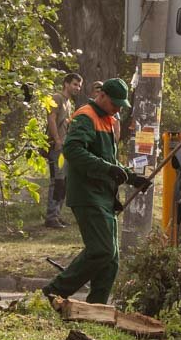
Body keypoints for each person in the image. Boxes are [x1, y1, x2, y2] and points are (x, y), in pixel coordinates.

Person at [42, 78, 150, 306]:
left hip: (104, 196)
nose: (118, 109)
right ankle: (54, 292)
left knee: (111, 260)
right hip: (87, 195)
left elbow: (108, 160)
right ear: (102, 96)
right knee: (101, 250)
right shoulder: (86, 116)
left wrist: (132, 177)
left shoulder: (108, 119)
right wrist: (107, 169)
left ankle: (96, 308)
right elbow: (72, 150)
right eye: (115, 104)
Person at [45, 72, 83, 228]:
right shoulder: (57, 98)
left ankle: (56, 215)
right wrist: (58, 140)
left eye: (79, 85)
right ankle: (51, 217)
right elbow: (51, 119)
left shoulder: (68, 102)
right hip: (56, 146)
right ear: (66, 84)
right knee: (57, 181)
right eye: (75, 84)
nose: (77, 88)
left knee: (63, 181)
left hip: (65, 147)